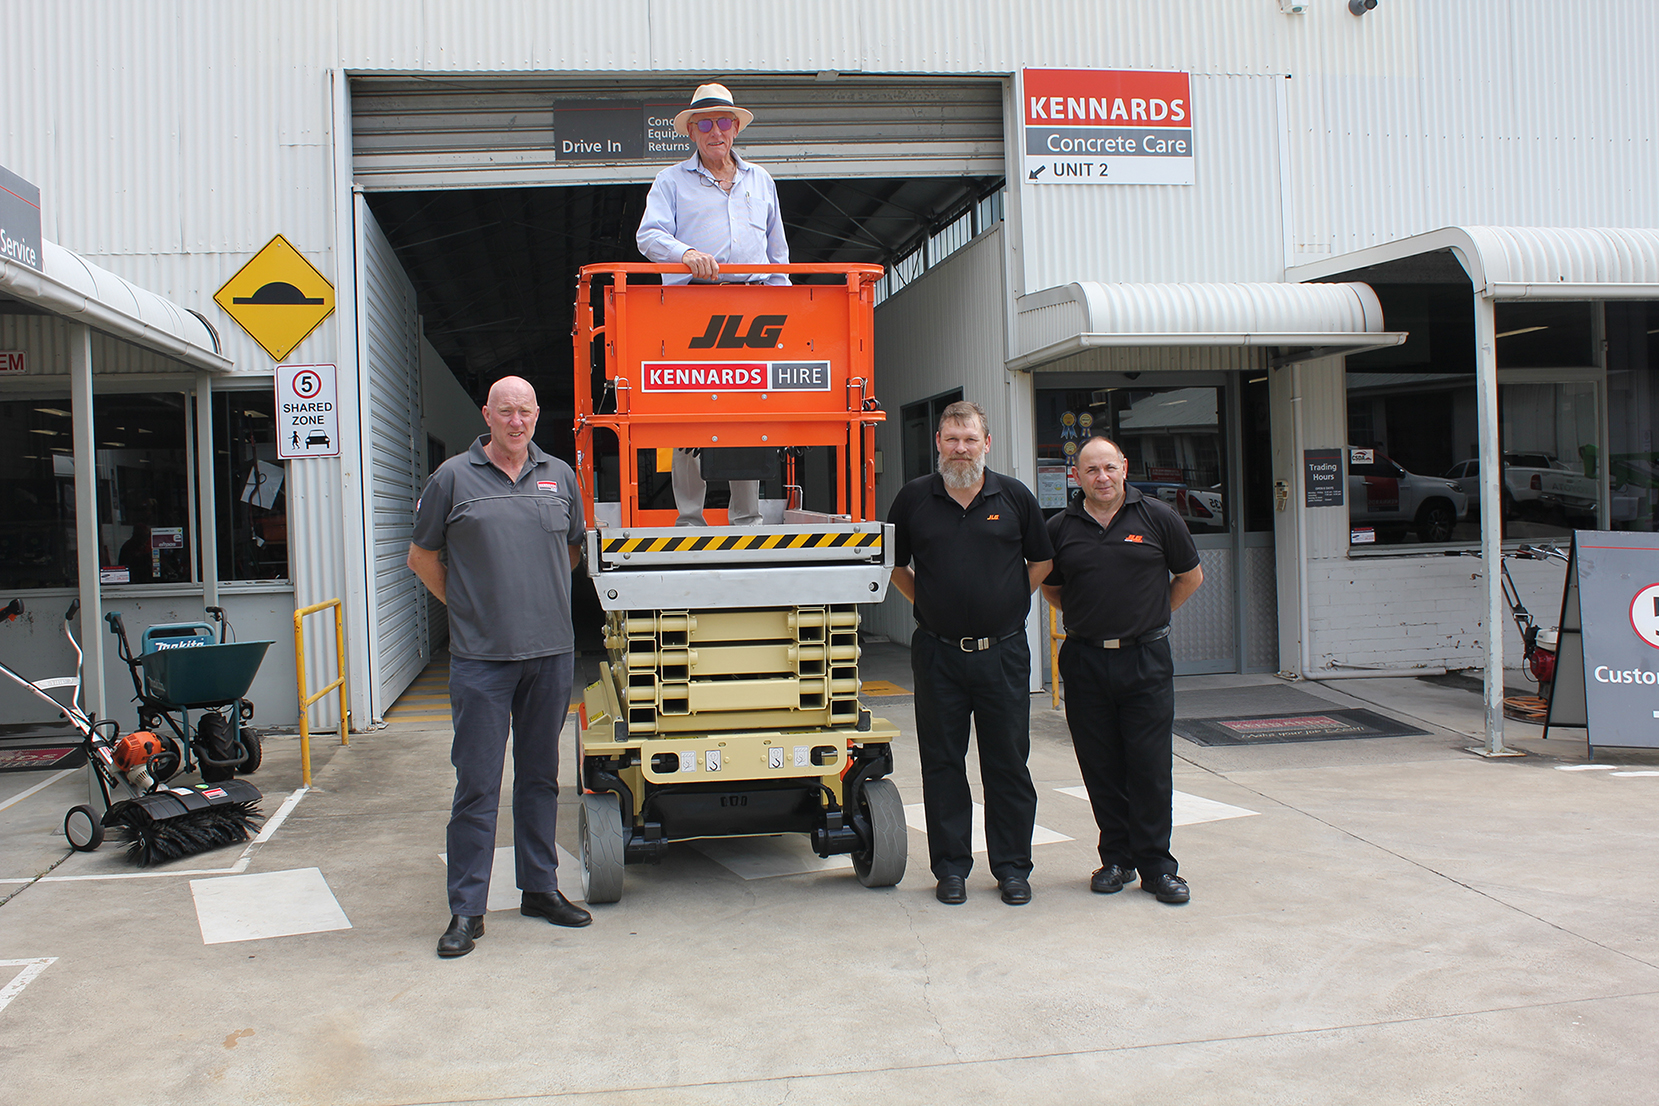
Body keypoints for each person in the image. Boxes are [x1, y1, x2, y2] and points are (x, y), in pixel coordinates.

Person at [407, 375, 592, 958]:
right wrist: (467, 613)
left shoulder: (560, 476)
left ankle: (540, 888)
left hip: (549, 655)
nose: (516, 421)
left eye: (526, 411)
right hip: (482, 661)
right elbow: (421, 557)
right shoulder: (452, 479)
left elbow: (570, 549)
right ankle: (467, 910)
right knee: (478, 785)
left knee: (540, 779)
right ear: (487, 414)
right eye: (505, 411)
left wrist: (536, 602)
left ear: (538, 415)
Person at [887, 401, 1053, 907]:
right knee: (942, 765)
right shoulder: (914, 499)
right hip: (937, 655)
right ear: (937, 442)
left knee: (1007, 764)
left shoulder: (1016, 497)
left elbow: (1042, 560)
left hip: (1002, 654)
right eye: (952, 439)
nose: (961, 449)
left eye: (970, 439)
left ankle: (1012, 868)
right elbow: (895, 567)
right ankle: (952, 869)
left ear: (987, 443)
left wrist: (1003, 602)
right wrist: (933, 605)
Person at [1041, 435, 1204, 905]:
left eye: (1109, 468)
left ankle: (1157, 866)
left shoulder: (1158, 517)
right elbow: (1052, 589)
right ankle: (1116, 859)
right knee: (1101, 765)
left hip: (1145, 660)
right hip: (1086, 659)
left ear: (1124, 467)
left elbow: (1189, 577)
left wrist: (1151, 617)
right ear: (1076, 475)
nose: (1102, 477)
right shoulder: (1060, 527)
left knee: (1150, 767)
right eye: (1091, 470)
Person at [637, 81, 789, 526]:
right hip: (691, 307)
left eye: (723, 121)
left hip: (756, 306)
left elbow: (777, 253)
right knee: (688, 411)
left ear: (736, 127)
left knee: (749, 407)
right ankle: (689, 517)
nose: (715, 131)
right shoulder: (669, 182)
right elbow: (649, 235)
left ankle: (746, 516)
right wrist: (684, 254)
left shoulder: (761, 180)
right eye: (704, 123)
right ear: (691, 132)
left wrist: (787, 310)